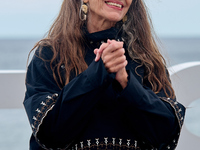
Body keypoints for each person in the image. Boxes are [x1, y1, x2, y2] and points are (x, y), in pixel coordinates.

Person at [23, 0, 185, 149]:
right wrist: (98, 72)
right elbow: (50, 134)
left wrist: (126, 82)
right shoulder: (50, 55)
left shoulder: (146, 59)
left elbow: (165, 134)